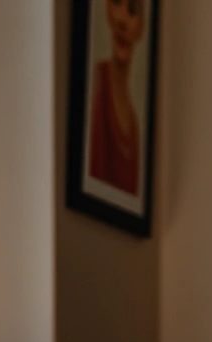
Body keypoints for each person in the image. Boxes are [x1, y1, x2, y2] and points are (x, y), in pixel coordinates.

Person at [87, 0, 146, 196]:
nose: (122, 20)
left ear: (141, 28)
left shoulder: (136, 125)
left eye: (132, 10)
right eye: (116, 3)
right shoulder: (96, 83)